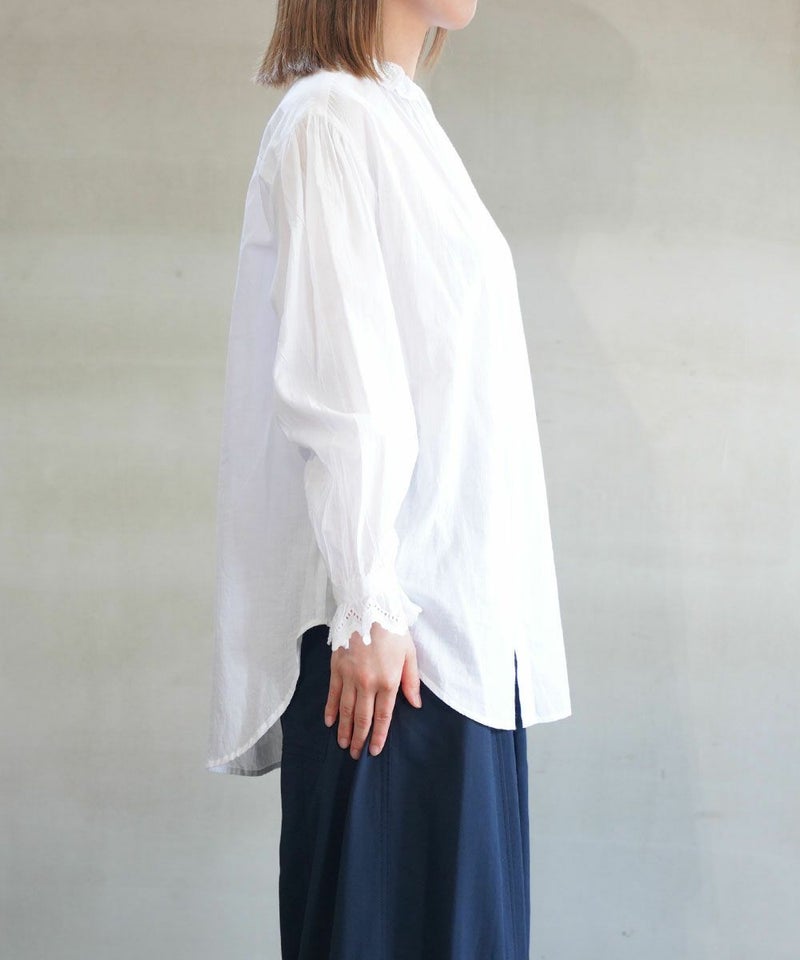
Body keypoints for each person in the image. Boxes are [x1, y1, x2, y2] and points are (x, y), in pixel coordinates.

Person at [206, 1, 572, 957]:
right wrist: (370, 600)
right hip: (394, 648)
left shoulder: (399, 121)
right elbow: (342, 378)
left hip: (455, 641)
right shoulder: (330, 118)